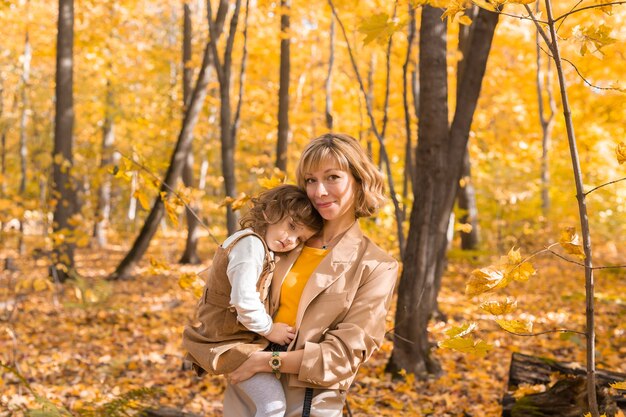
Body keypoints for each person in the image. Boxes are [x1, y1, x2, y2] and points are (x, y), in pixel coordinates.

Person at [223, 133, 399, 417]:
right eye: (310, 180)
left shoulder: (377, 265)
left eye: (332, 177)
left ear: (358, 179)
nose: (319, 192)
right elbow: (228, 300)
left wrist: (267, 362)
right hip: (248, 393)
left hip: (307, 401)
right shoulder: (282, 242)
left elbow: (344, 356)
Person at [183, 184, 323, 417]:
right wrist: (270, 330)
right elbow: (243, 299)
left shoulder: (255, 244)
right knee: (272, 406)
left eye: (300, 238)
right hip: (229, 342)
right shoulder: (250, 246)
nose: (291, 240)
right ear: (270, 212)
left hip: (233, 337)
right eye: (291, 227)